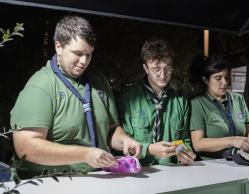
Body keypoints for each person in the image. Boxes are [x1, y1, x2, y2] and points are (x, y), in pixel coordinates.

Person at [10, 16, 141, 178]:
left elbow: (110, 130)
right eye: (78, 53)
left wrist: (124, 140)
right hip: (51, 182)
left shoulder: (99, 82)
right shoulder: (41, 85)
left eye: (89, 54)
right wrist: (84, 154)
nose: (84, 61)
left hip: (98, 178)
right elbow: (25, 147)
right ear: (59, 46)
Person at [116, 38, 196, 166]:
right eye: (156, 69)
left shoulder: (181, 100)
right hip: (138, 171)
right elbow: (120, 142)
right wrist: (148, 149)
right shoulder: (128, 98)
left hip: (171, 170)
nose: (163, 75)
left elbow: (184, 139)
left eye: (168, 68)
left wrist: (186, 153)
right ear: (146, 68)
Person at [189, 56, 249, 160]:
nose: (224, 82)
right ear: (205, 80)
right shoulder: (197, 103)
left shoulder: (238, 99)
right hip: (212, 166)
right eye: (218, 78)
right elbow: (198, 144)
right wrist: (231, 140)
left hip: (240, 161)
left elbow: (247, 135)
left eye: (226, 78)